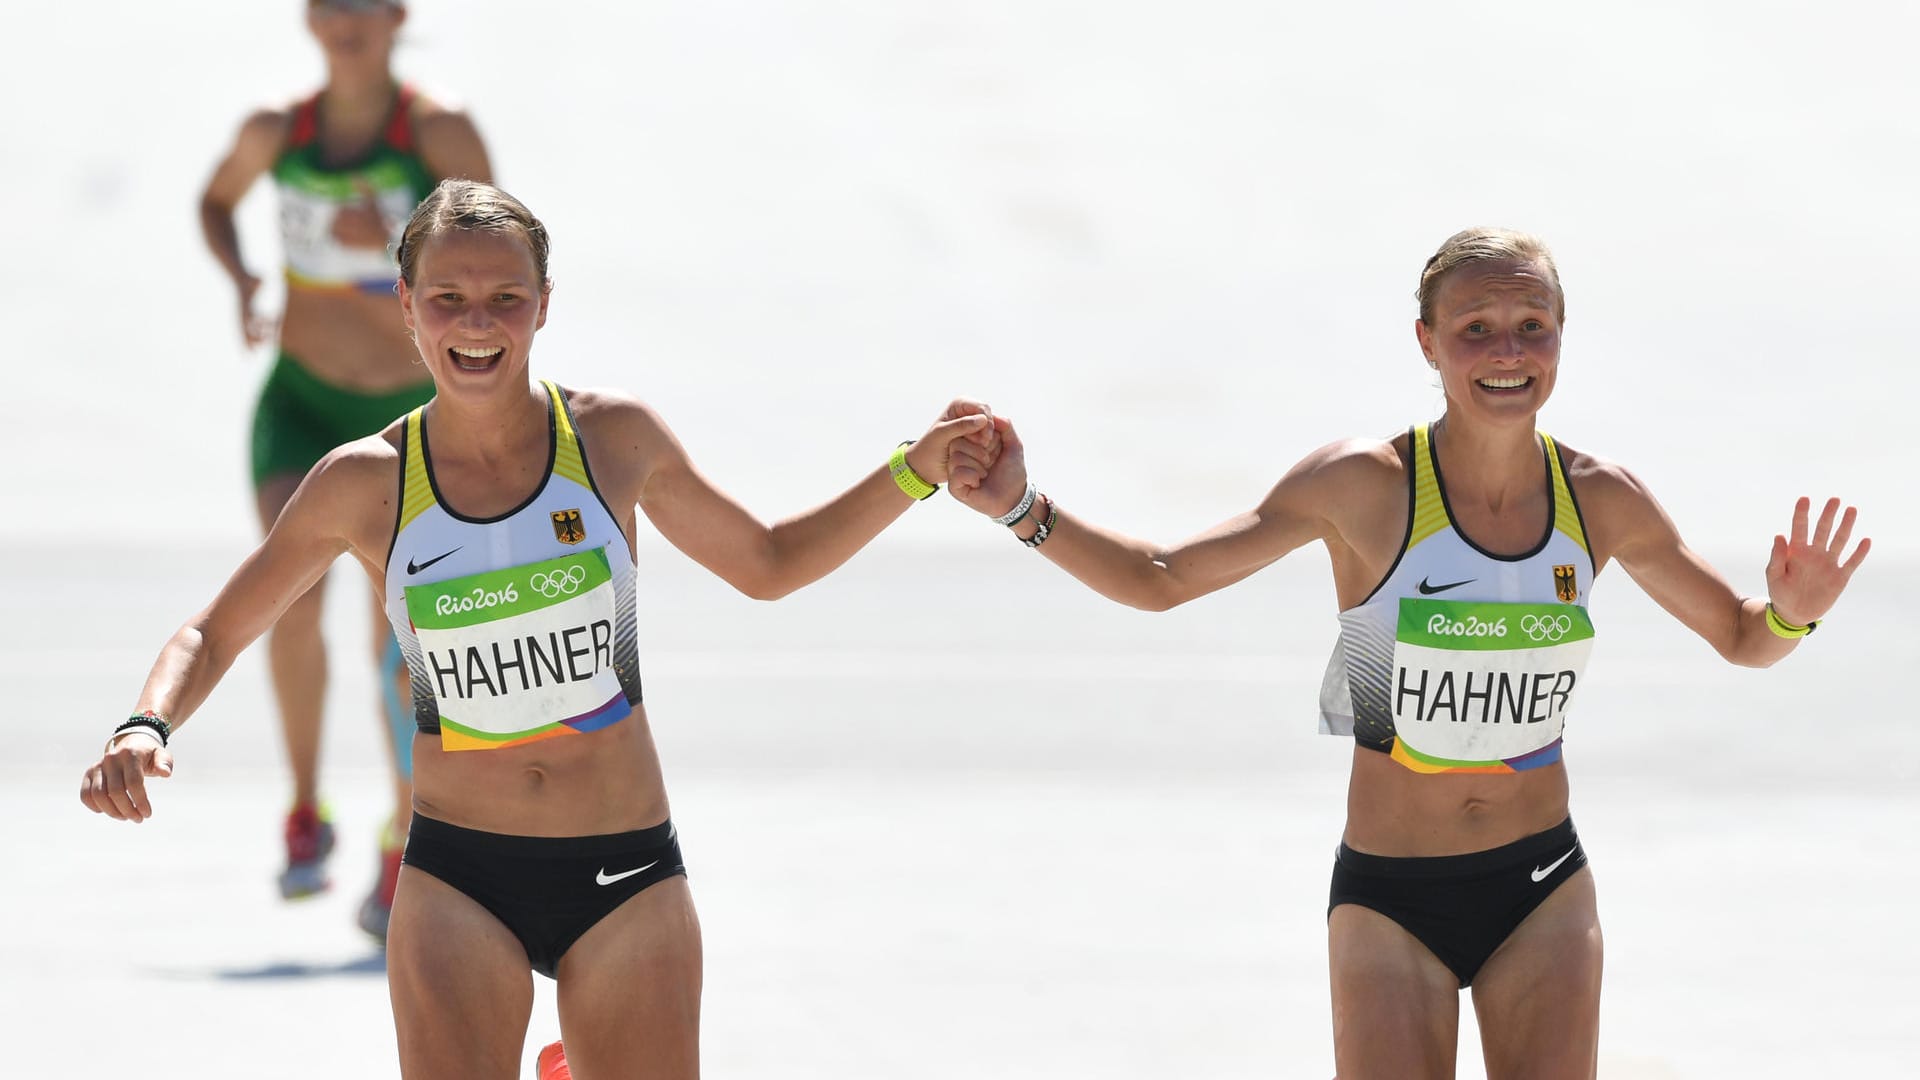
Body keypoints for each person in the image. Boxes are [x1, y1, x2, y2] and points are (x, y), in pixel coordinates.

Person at [83, 179, 995, 1079]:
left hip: (625, 870)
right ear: (406, 304)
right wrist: (145, 724)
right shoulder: (364, 484)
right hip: (456, 876)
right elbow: (215, 631)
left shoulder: (611, 439)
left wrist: (911, 471)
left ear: (544, 305)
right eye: (448, 299)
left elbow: (769, 561)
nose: (476, 325)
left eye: (504, 300)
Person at [945, 227, 1868, 1077]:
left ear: (1560, 340)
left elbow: (1745, 638)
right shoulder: (1363, 486)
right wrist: (1024, 511)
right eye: (1476, 328)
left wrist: (1792, 615)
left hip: (1541, 884)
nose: (1508, 351)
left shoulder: (1602, 499)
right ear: (1427, 343)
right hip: (1390, 897)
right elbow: (1160, 577)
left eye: (1532, 326)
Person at [197, 0, 492, 936]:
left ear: (399, 15)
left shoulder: (436, 127)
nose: (346, 21)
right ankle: (302, 811)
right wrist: (244, 278)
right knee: (282, 593)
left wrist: (405, 236)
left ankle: (403, 840)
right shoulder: (275, 128)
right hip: (301, 402)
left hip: (404, 418)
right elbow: (213, 200)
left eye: (365, 4)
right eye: (330, 4)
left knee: (397, 638)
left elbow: (500, 247)